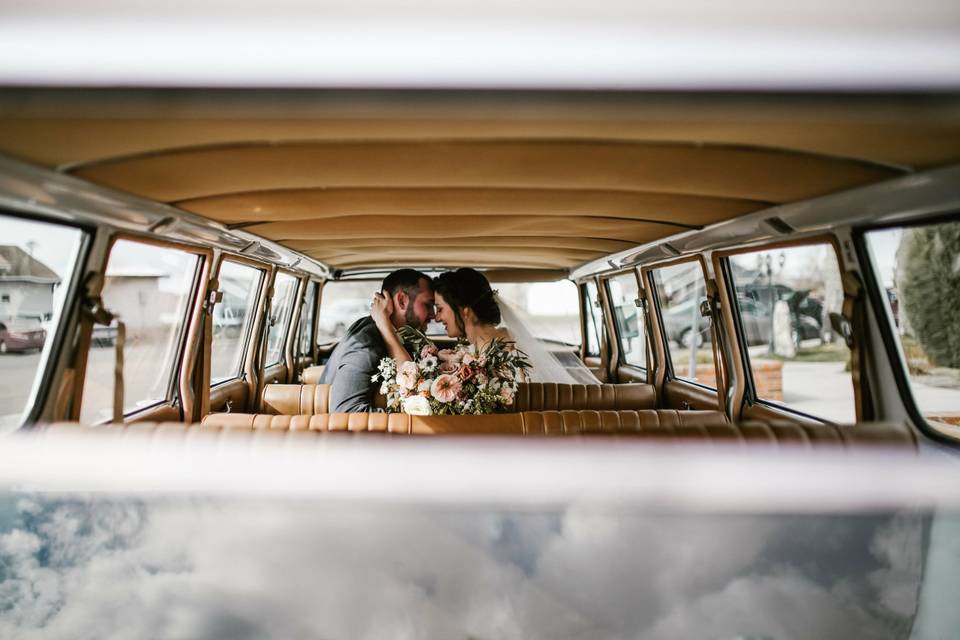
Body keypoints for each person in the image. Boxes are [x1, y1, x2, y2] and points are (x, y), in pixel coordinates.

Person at [371, 268, 597, 383]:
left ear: (465, 311)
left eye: (439, 309)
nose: (437, 317)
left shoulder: (501, 351)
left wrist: (384, 326)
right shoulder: (484, 346)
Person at [319, 269, 434, 412]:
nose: (433, 315)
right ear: (402, 301)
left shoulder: (404, 336)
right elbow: (346, 414)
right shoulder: (366, 345)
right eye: (428, 305)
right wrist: (405, 418)